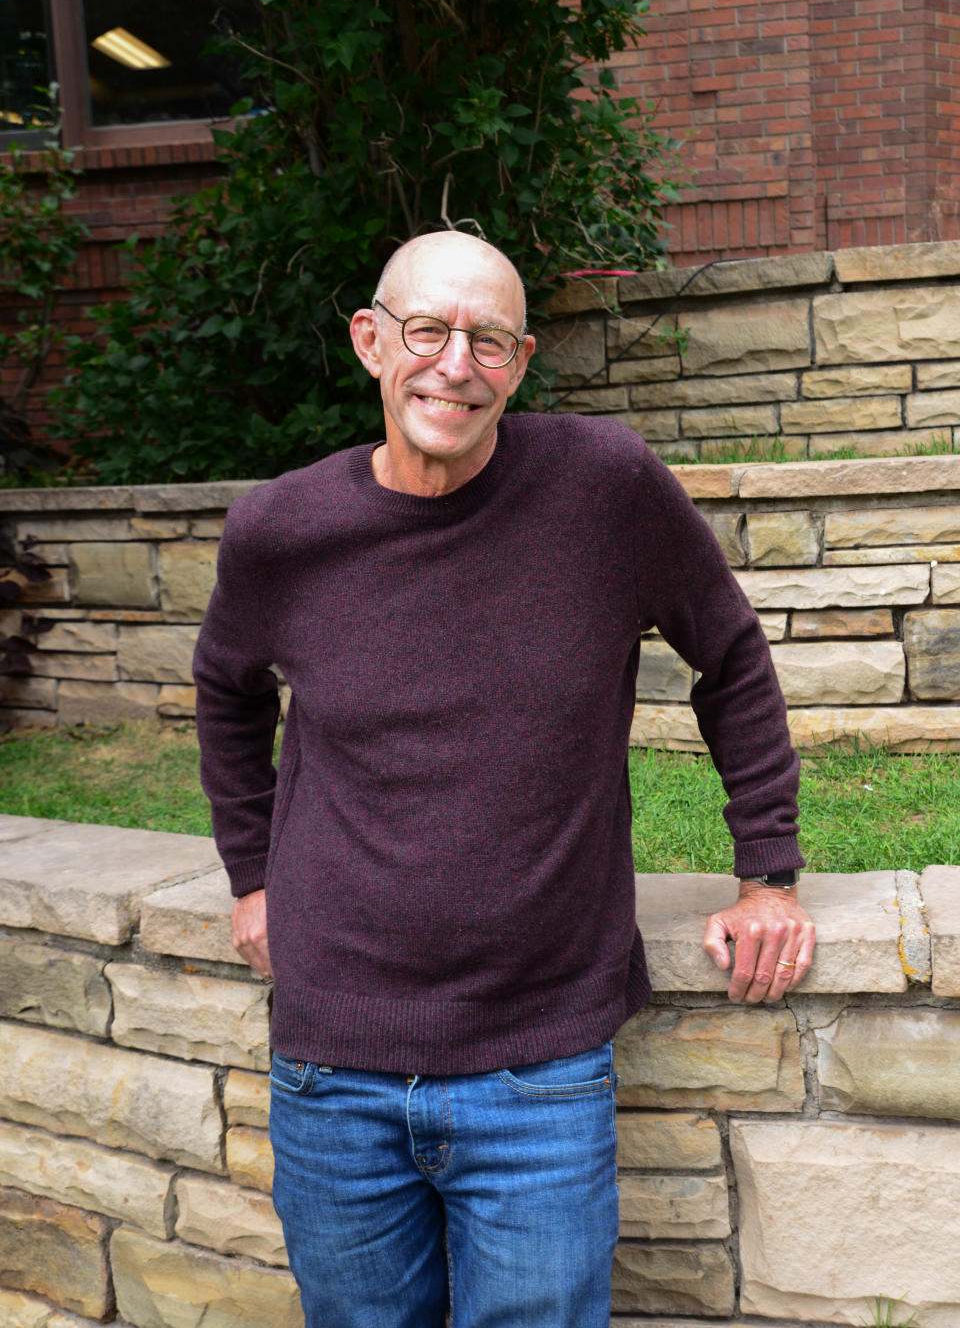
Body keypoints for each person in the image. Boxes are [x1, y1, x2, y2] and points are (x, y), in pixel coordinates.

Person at [193, 230, 815, 1328]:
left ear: (521, 363)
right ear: (370, 340)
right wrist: (252, 876)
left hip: (540, 1066)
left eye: (487, 339)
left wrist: (768, 873)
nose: (454, 364)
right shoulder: (282, 530)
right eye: (427, 330)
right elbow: (226, 692)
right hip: (332, 1064)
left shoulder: (604, 487)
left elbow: (730, 655)